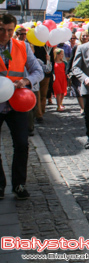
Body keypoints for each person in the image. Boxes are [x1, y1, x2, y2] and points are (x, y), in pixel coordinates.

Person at [0, 13, 44, 199]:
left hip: (17, 103)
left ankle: (19, 184)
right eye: (2, 30)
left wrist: (26, 80)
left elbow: (38, 71)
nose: (5, 34)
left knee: (21, 144)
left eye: (10, 30)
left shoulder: (23, 46)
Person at [67, 31, 89, 115]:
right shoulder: (76, 47)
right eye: (83, 36)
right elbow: (72, 60)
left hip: (87, 70)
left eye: (86, 36)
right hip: (77, 71)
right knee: (78, 90)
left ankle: (87, 107)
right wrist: (68, 71)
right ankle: (82, 107)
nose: (84, 37)